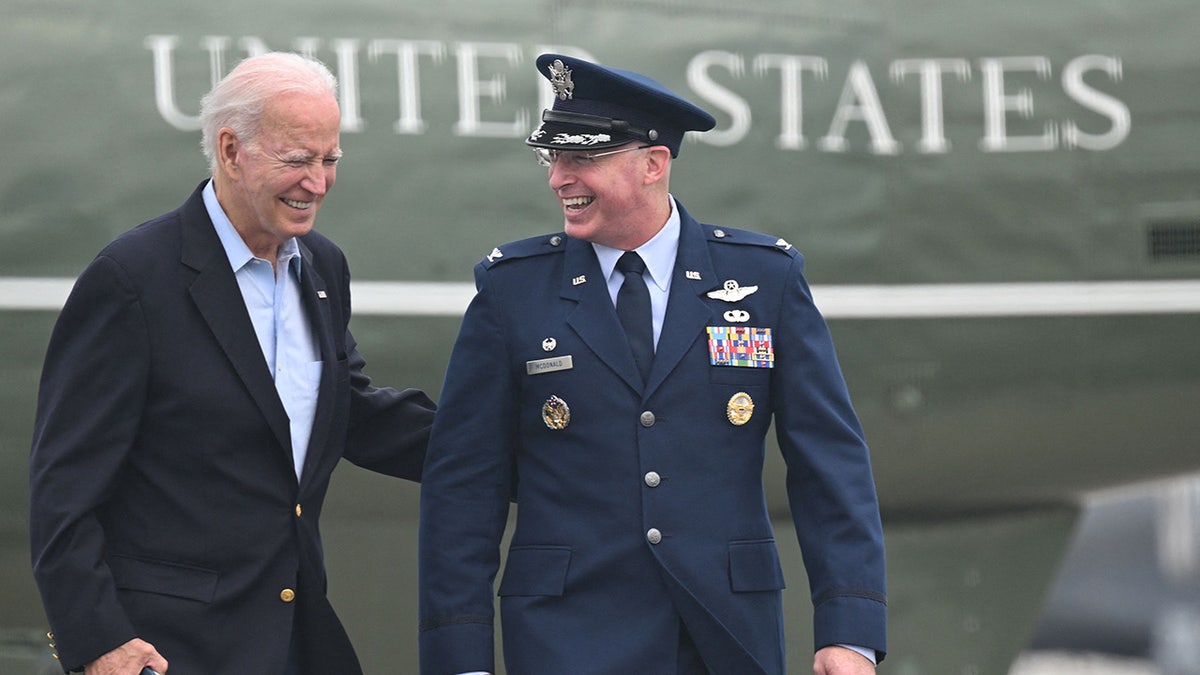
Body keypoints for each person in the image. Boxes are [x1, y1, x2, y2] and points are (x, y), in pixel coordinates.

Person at [417, 53, 886, 675]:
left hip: (725, 633)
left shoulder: (763, 279)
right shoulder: (512, 291)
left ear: (653, 164)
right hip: (567, 636)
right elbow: (463, 490)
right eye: (552, 159)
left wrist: (848, 630)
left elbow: (831, 464)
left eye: (581, 158)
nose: (559, 179)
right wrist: (461, 658)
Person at [29, 52, 436, 675]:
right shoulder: (133, 280)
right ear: (229, 150)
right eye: (298, 160)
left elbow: (348, 413)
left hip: (294, 637)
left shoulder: (322, 268)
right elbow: (63, 489)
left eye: (330, 160)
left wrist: (517, 444)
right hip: (165, 651)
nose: (318, 182)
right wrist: (98, 641)